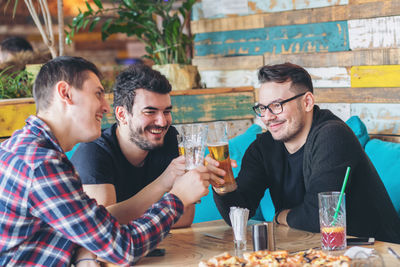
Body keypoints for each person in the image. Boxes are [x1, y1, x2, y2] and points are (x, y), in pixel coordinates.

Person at [0, 56, 210, 266]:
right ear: (65, 93)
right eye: (98, 94)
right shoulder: (42, 164)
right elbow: (123, 249)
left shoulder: (27, 149)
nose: (106, 107)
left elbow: (86, 229)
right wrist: (178, 198)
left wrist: (83, 254)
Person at [206, 62, 400, 244]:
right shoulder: (264, 148)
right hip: (314, 250)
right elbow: (239, 215)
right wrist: (223, 184)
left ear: (307, 102)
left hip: (375, 252)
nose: (267, 117)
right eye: (262, 108)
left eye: (276, 105)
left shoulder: (332, 135)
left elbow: (318, 218)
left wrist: (280, 216)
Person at [70, 64, 195, 227]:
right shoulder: (93, 152)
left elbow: (185, 217)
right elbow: (103, 227)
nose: (163, 121)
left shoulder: (170, 138)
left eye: (166, 111)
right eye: (150, 112)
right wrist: (163, 183)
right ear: (122, 115)